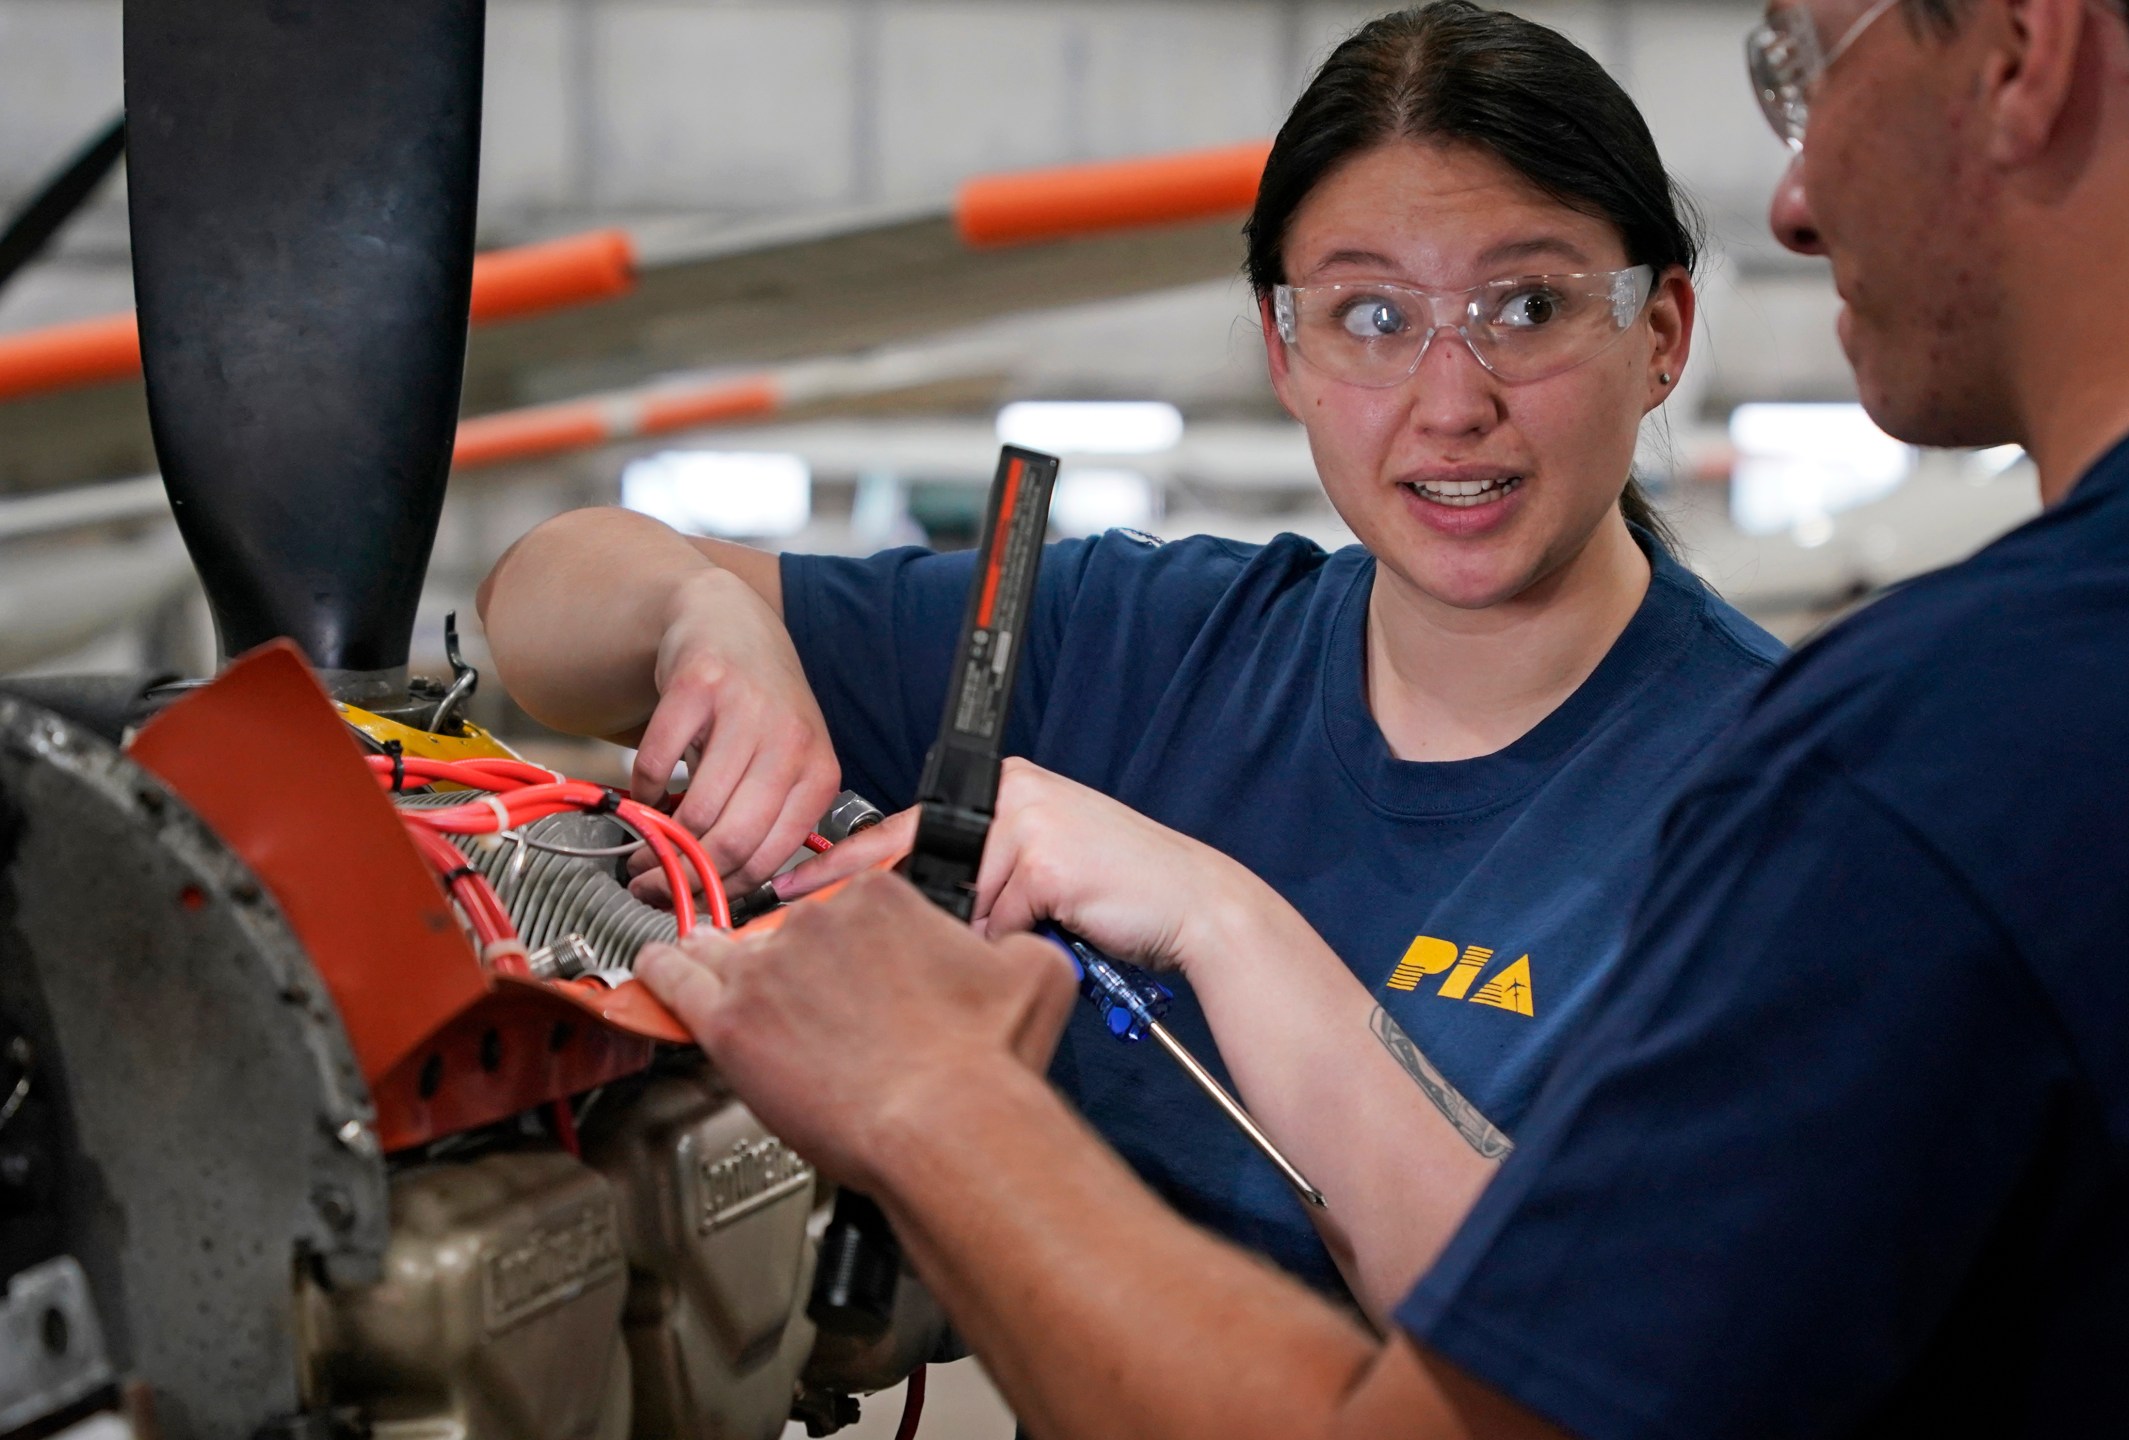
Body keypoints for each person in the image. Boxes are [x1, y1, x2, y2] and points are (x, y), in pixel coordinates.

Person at [636, 0, 2129, 1435]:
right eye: (1370, 317)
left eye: (1807, 66)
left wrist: (932, 1096)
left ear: (2027, 53)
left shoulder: (1949, 760)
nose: (1797, 197)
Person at [478, 4, 1784, 1320]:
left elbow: (1597, 1344)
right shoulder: (1138, 645)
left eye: (1528, 305)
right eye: (1372, 314)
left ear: (1661, 332)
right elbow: (545, 597)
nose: (1451, 402)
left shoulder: (1786, 801)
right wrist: (705, 618)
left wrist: (1212, 917)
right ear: (1284, 347)